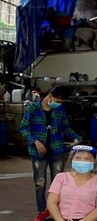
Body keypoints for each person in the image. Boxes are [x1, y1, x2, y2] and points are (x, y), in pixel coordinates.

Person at [20, 85, 79, 213]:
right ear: (50, 96)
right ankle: (42, 215)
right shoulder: (33, 108)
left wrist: (77, 138)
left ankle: (56, 215)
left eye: (61, 102)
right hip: (38, 154)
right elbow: (23, 128)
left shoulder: (60, 109)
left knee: (58, 186)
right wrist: (35, 141)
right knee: (40, 185)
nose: (58, 104)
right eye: (57, 101)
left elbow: (65, 127)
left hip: (57, 151)